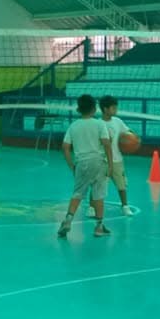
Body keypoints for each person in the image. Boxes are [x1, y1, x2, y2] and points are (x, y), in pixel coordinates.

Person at [57, 94, 113, 239]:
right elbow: (107, 144)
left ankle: (68, 221)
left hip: (81, 162)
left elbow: (65, 147)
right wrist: (111, 165)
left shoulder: (74, 126)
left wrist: (72, 165)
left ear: (79, 109)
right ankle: (99, 226)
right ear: (94, 109)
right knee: (99, 195)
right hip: (98, 161)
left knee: (77, 194)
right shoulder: (100, 124)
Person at [98, 95, 135, 215]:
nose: (116, 110)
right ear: (105, 109)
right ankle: (93, 207)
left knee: (122, 185)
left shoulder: (118, 122)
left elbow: (128, 132)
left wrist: (133, 138)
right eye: (113, 108)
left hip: (117, 160)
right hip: (101, 160)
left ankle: (125, 206)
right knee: (98, 186)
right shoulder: (98, 124)